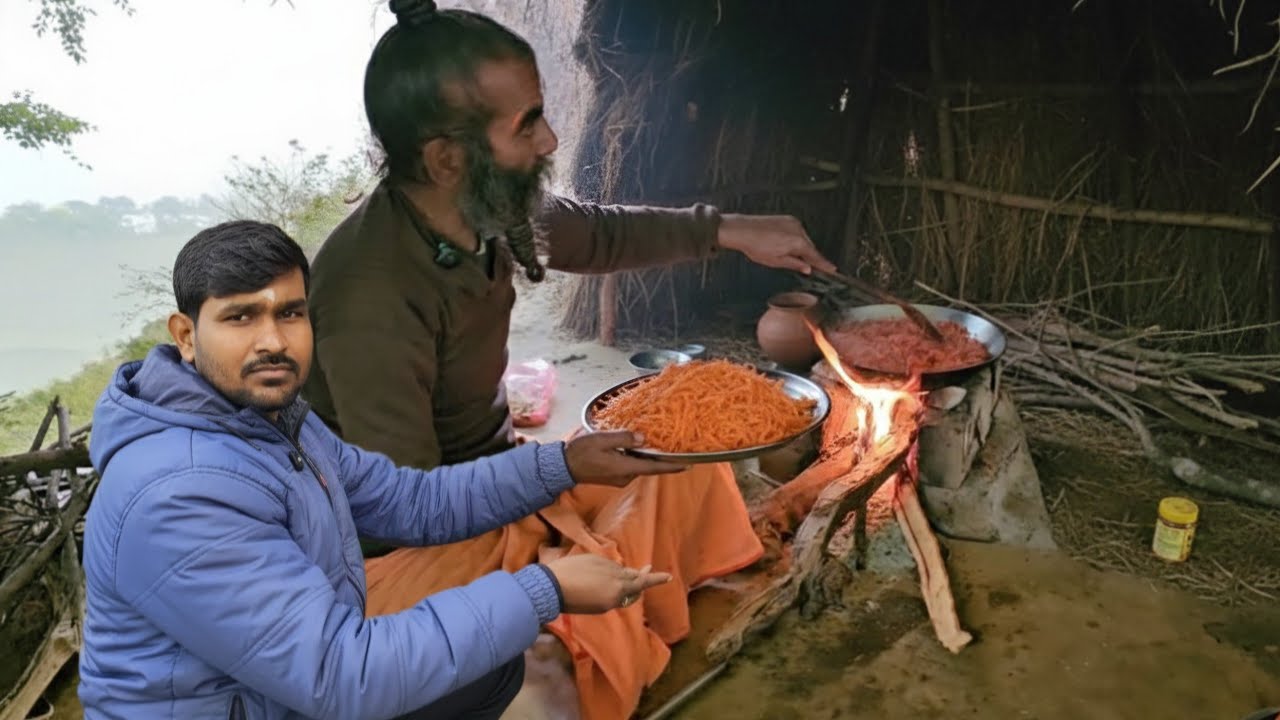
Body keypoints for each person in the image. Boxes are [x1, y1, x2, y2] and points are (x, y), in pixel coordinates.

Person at [302, 2, 837, 718]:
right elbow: (408, 506)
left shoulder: (486, 210)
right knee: (543, 684)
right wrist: (559, 477)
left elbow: (601, 235)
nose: (551, 137)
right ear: (445, 158)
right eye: (527, 124)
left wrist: (735, 231)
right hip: (395, 550)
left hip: (499, 487)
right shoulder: (369, 288)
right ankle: (580, 615)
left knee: (685, 461)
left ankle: (591, 587)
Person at [78, 220, 687, 720]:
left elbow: (410, 501)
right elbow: (342, 676)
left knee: (512, 661)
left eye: (291, 313)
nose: (274, 341)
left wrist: (563, 463)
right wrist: (545, 589)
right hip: (287, 694)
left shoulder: (277, 419)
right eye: (241, 318)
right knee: (515, 639)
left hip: (283, 691)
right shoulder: (175, 495)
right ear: (186, 335)